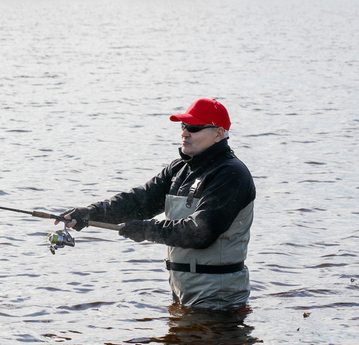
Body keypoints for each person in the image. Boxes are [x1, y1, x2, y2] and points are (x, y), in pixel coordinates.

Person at [57, 98, 255, 311]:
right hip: (183, 289)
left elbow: (200, 231)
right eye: (183, 126)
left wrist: (146, 230)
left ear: (219, 134)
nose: (184, 133)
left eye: (194, 128)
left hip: (218, 296)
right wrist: (91, 213)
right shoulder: (179, 169)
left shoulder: (231, 174)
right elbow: (138, 202)